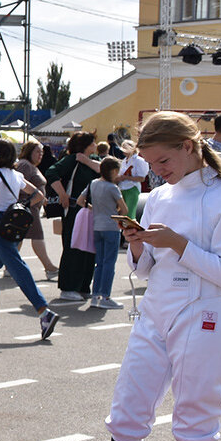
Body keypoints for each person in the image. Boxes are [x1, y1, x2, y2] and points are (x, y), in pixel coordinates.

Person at [107, 111, 221, 441]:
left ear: (188, 146)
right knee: (125, 421)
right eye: (152, 165)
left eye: (163, 162)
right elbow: (145, 269)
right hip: (155, 311)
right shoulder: (159, 195)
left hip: (204, 314)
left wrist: (177, 243)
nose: (159, 172)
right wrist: (138, 244)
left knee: (196, 428)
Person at [0, 139, 57, 338]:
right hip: (11, 223)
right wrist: (22, 206)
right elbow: (38, 195)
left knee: (16, 266)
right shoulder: (16, 174)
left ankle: (43, 311)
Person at [47, 131, 101, 303]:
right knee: (73, 247)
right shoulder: (71, 160)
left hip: (91, 211)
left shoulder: (91, 161)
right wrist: (62, 194)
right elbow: (51, 173)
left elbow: (107, 172)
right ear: (84, 144)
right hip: (74, 210)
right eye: (92, 142)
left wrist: (86, 160)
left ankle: (84, 286)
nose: (95, 145)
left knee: (89, 249)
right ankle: (68, 287)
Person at [79, 156, 125, 310]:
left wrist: (94, 208)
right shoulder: (113, 188)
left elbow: (80, 200)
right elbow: (123, 209)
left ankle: (95, 295)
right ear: (113, 170)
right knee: (109, 263)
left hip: (97, 226)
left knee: (99, 263)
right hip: (111, 226)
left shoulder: (93, 184)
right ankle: (105, 296)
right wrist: (114, 212)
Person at [15, 140, 58, 278]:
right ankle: (49, 267)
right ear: (29, 152)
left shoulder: (29, 165)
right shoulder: (24, 165)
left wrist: (41, 198)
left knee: (19, 238)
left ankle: (11, 266)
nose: (40, 155)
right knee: (37, 236)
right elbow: (18, 185)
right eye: (37, 152)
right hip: (28, 207)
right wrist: (31, 200)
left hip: (30, 206)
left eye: (42, 152)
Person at [116, 139, 148, 219]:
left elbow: (142, 178)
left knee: (130, 214)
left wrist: (126, 177)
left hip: (132, 188)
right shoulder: (124, 161)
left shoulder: (138, 160)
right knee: (122, 213)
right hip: (122, 188)